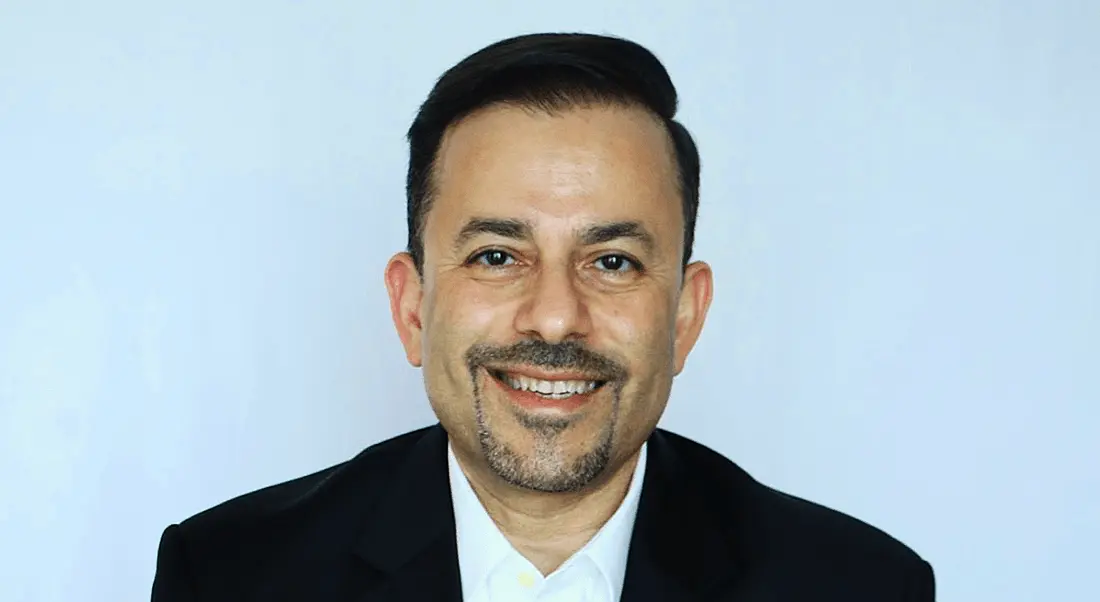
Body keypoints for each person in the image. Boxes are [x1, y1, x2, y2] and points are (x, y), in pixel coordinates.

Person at [151, 32, 934, 601]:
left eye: (613, 262)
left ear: (686, 316)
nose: (556, 319)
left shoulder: (860, 586)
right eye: (497, 255)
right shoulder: (230, 576)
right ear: (413, 304)